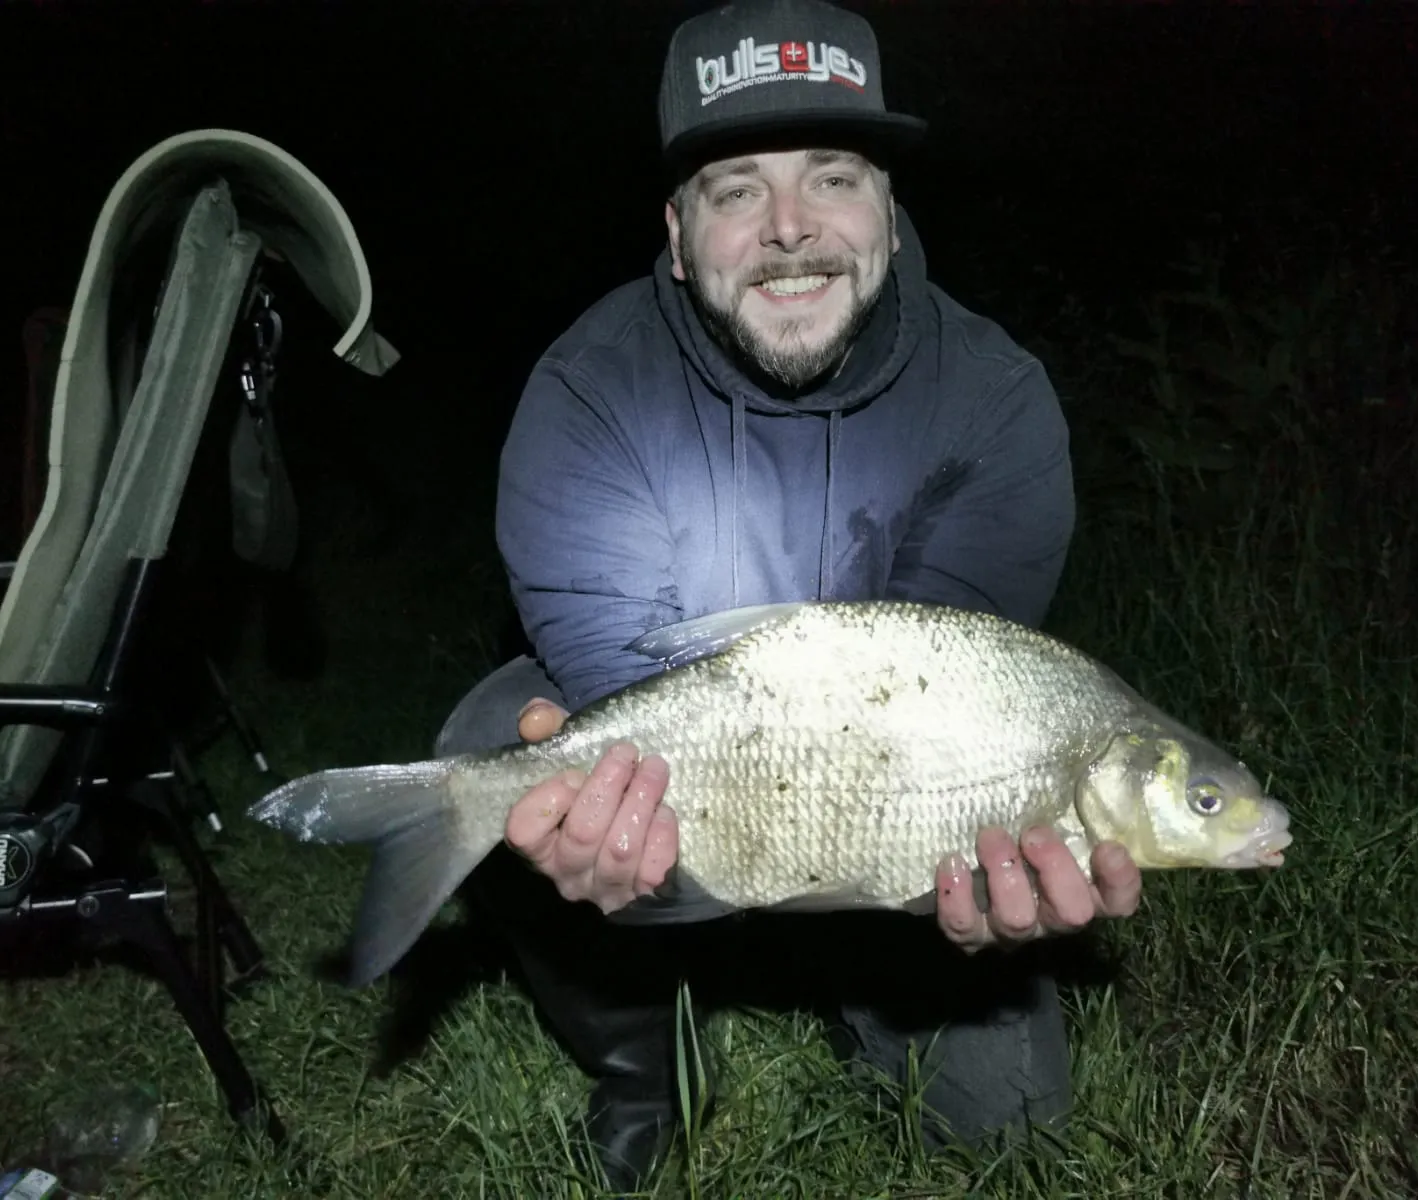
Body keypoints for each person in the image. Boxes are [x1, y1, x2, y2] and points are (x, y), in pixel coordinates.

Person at [432, 0, 1143, 1189]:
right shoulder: (588, 396)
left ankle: (861, 984)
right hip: (697, 756)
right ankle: (644, 1054)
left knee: (1016, 1132)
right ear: (676, 232)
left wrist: (950, 881)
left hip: (897, 790)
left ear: (889, 209)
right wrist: (659, 841)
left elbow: (958, 700)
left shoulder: (996, 401)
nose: (790, 231)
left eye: (833, 178)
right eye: (733, 191)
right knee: (488, 746)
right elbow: (639, 705)